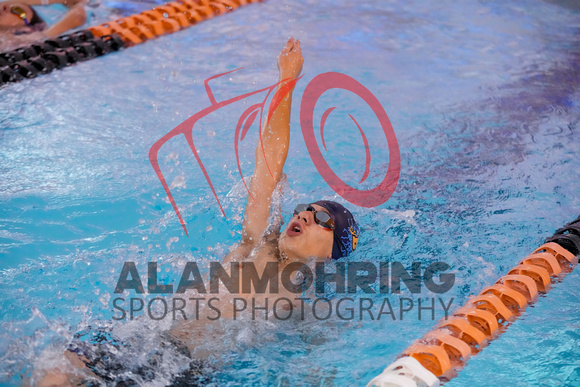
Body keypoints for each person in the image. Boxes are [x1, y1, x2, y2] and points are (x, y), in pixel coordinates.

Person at [35, 37, 360, 386]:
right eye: (304, 209)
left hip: (177, 370)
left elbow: (315, 364)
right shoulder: (257, 241)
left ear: (333, 251)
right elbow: (269, 164)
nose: (305, 215)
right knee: (53, 367)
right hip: (137, 339)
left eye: (323, 219)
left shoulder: (304, 299)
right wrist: (287, 81)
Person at [0, 0, 86, 49]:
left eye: (17, 12)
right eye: (13, 6)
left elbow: (42, 37)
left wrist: (67, 24)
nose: (5, 6)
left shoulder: (7, 40)